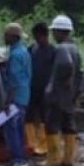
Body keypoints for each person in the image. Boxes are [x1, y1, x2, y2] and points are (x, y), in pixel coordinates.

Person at [40, 14, 84, 166]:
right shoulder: (74, 48)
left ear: (60, 31)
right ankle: (68, 159)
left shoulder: (62, 48)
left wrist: (65, 80)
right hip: (70, 96)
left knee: (52, 125)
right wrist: (78, 93)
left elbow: (66, 65)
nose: (53, 34)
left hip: (58, 95)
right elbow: (81, 73)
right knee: (68, 125)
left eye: (54, 31)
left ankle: (53, 159)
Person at [2, 22, 32, 166]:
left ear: (12, 37)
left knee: (9, 126)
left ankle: (17, 159)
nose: (4, 37)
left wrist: (7, 102)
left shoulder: (14, 55)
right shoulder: (23, 51)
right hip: (24, 96)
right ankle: (21, 156)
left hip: (15, 97)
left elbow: (13, 82)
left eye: (6, 35)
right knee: (18, 128)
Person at [26, 21, 55, 157]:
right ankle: (30, 145)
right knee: (29, 116)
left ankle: (44, 146)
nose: (37, 40)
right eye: (35, 37)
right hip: (32, 88)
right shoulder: (31, 49)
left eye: (38, 37)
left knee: (45, 118)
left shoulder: (53, 51)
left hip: (47, 90)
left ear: (45, 36)